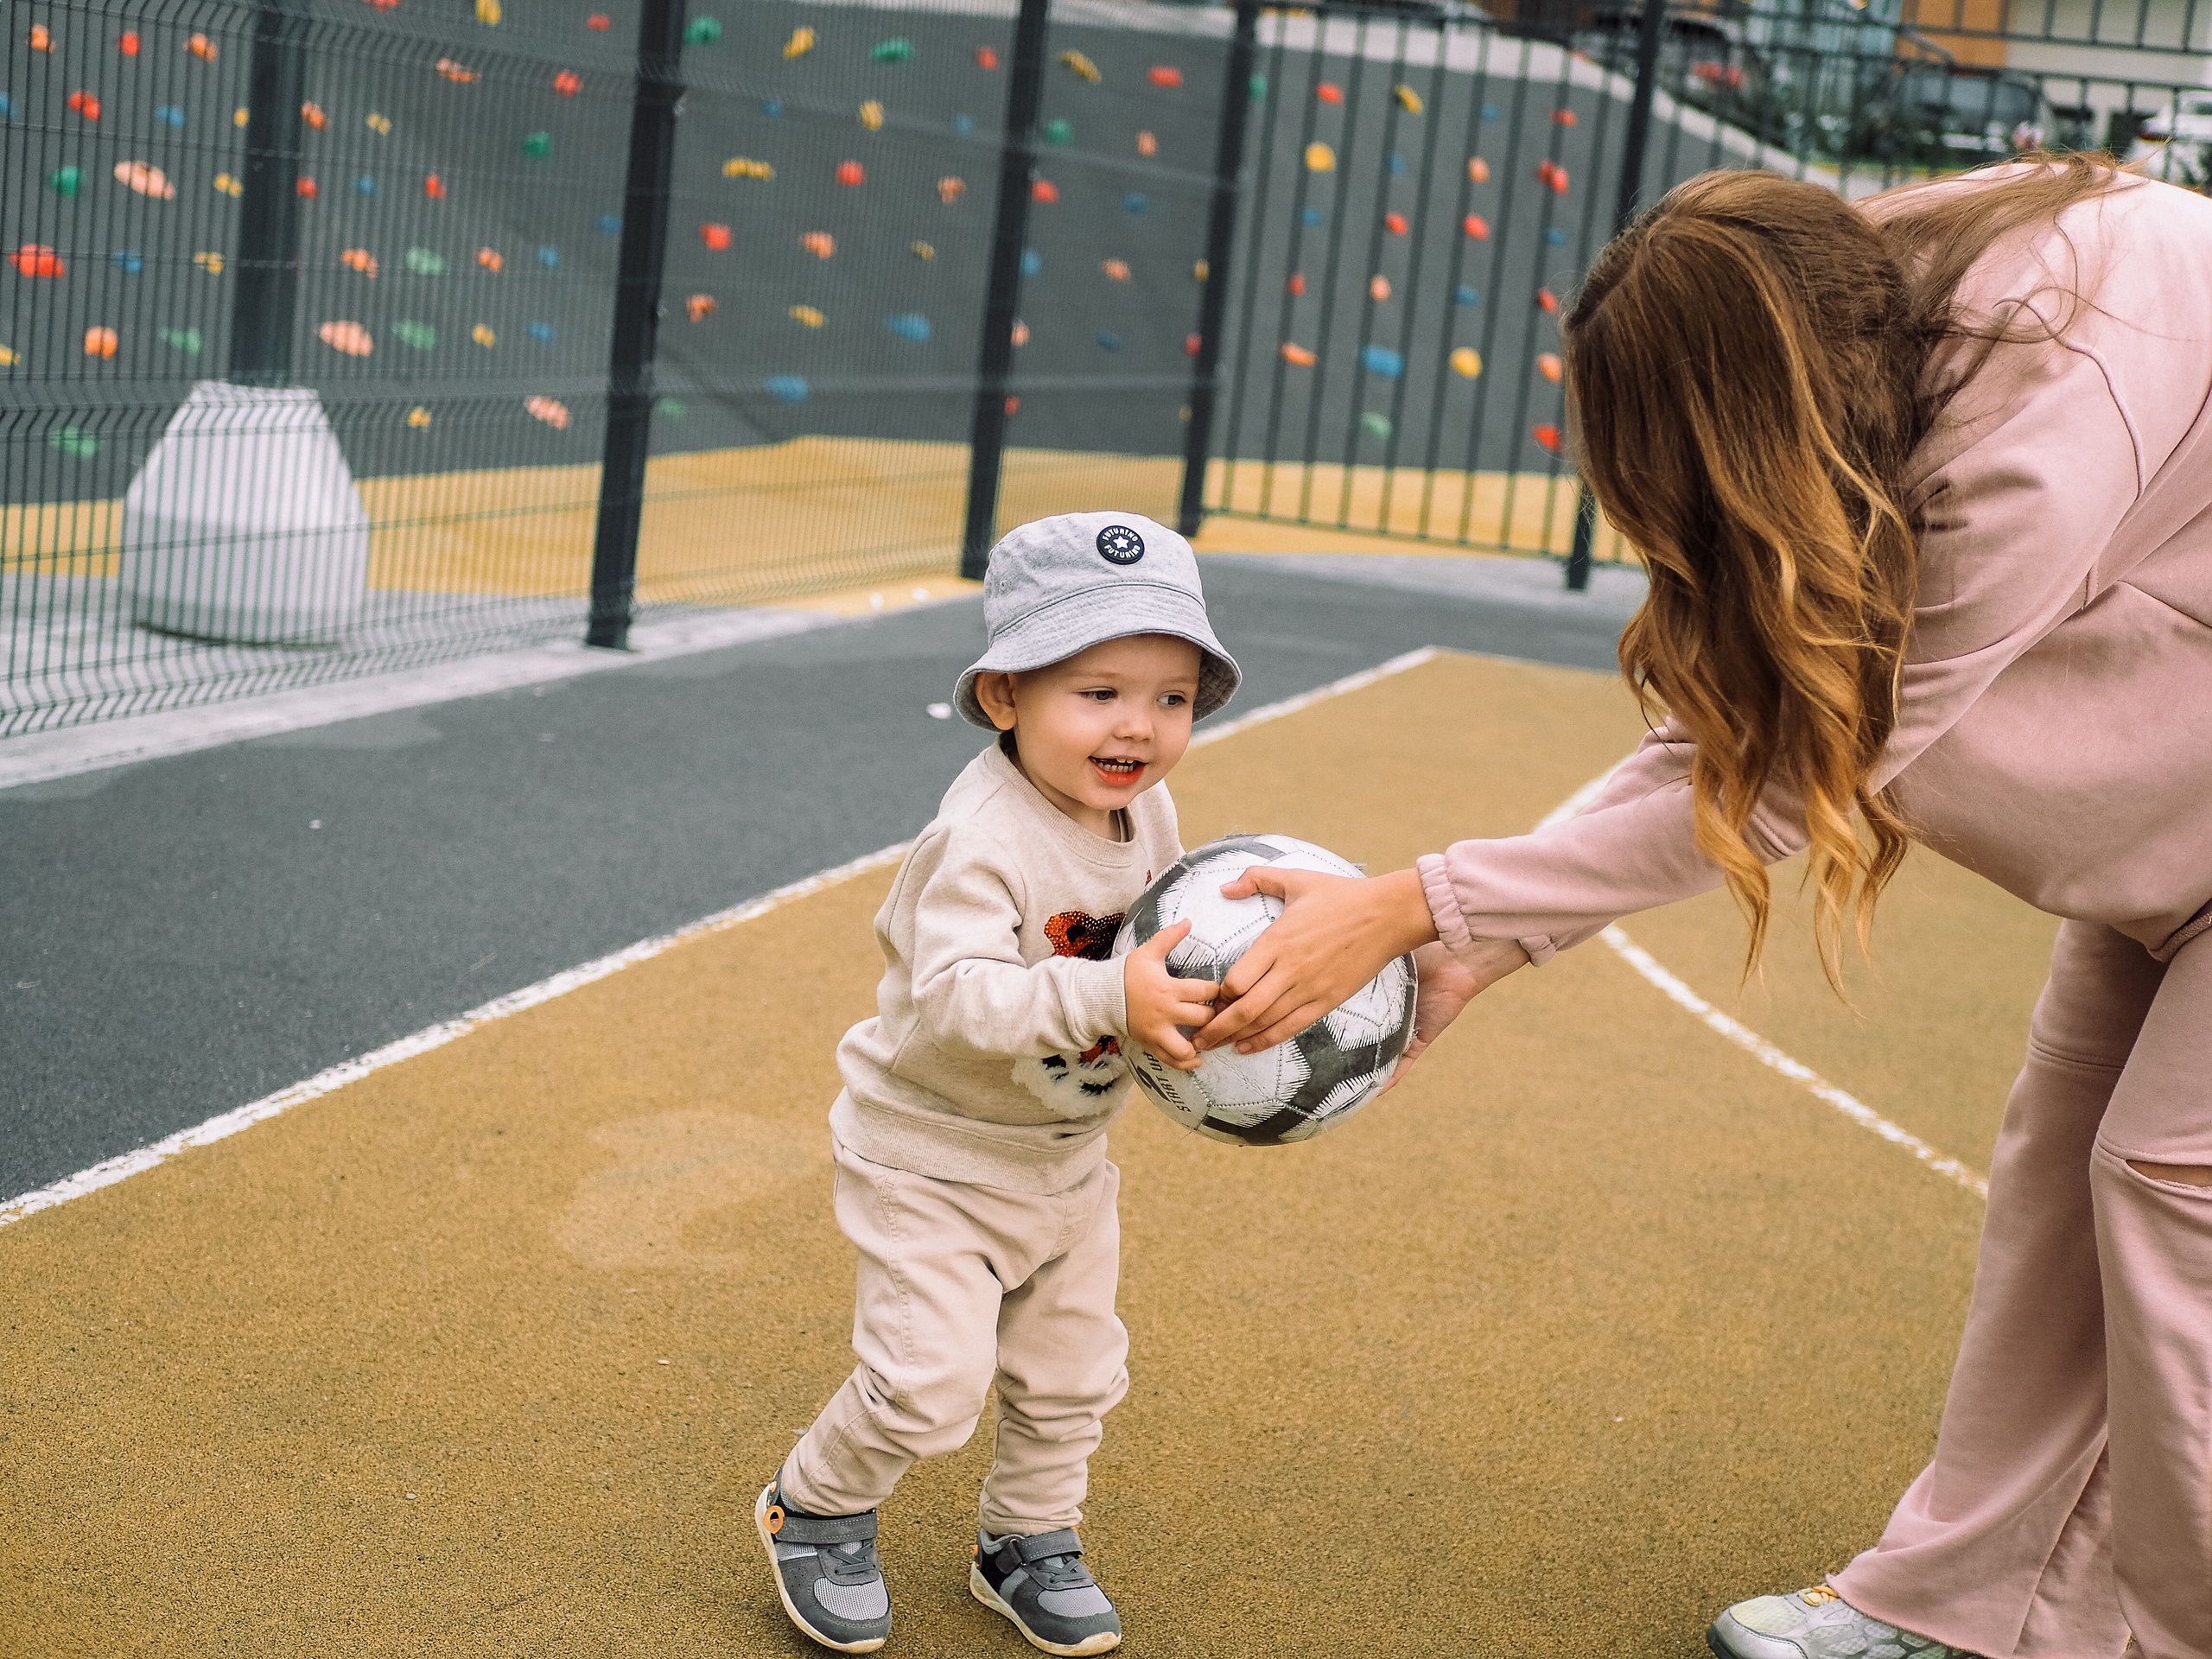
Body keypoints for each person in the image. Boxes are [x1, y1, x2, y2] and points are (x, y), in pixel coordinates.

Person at [1190, 157, 2212, 1659]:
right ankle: (1961, 1610)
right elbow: (1745, 706)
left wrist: (1416, 904)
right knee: (2060, 1178)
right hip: (2172, 838)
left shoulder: (2039, 431)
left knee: (2166, 1187)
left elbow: (1811, 762)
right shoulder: (1866, 288)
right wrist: (1486, 933)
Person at [756, 512, 1236, 1656]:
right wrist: (1116, 1000)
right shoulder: (978, 838)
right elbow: (961, 997)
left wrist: (1212, 992)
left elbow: (1161, 926)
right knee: (930, 1383)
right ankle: (814, 1506)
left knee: (1074, 1376)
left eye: (1171, 698)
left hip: (1063, 1158)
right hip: (930, 1153)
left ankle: (1025, 1538)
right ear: (1005, 696)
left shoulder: (1144, 806)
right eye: (1101, 692)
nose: (1140, 725)